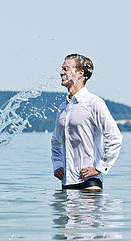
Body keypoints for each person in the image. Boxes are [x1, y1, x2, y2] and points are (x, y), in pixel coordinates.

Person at [51, 54, 123, 191]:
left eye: (65, 69)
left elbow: (115, 137)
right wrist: (57, 164)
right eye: (62, 69)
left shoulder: (94, 103)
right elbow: (56, 140)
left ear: (80, 73)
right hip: (67, 182)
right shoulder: (63, 107)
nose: (61, 72)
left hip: (89, 183)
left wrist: (100, 167)